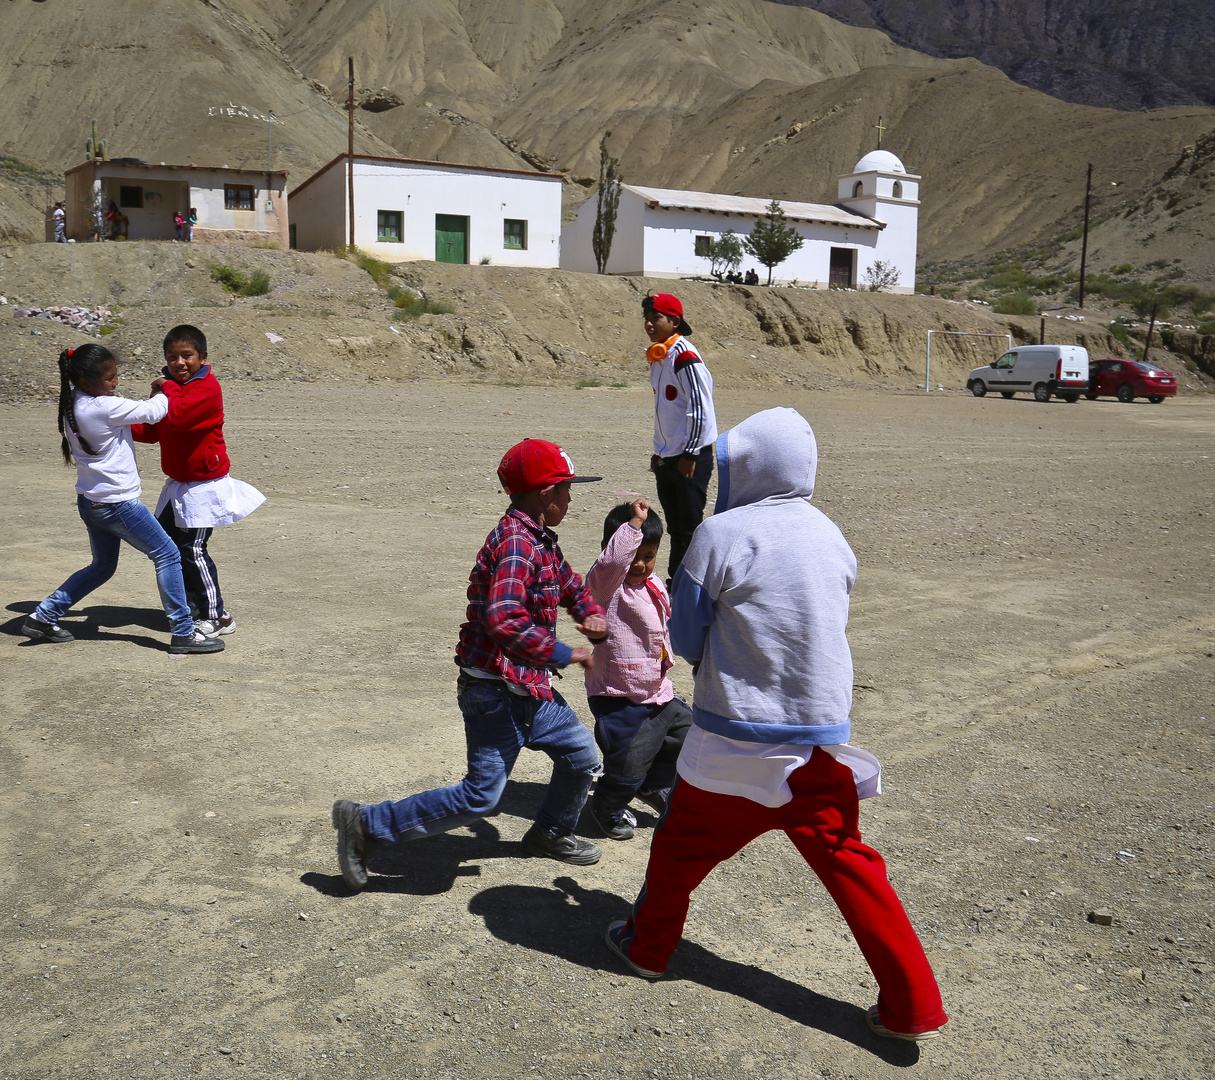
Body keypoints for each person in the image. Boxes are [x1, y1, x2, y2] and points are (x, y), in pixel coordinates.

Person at [604, 408, 948, 1044]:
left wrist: (716, 657)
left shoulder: (721, 534)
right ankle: (913, 1005)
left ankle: (648, 948)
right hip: (818, 746)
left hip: (733, 742)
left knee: (679, 850)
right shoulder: (833, 536)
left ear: (745, 466)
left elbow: (684, 633)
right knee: (854, 868)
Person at [332, 439, 609, 889]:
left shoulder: (539, 540)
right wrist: (567, 653)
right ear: (545, 495)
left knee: (581, 758)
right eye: (566, 490)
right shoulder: (516, 544)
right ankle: (365, 824)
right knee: (481, 797)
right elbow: (504, 619)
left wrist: (586, 612)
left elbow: (566, 582)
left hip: (530, 688)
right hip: (495, 693)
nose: (570, 500)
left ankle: (550, 834)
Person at [22, 344, 223, 655]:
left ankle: (43, 616)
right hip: (119, 505)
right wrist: (163, 387)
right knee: (168, 555)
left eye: (115, 375)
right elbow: (157, 411)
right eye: (109, 378)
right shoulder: (102, 407)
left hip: (91, 502)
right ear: (87, 383)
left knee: (102, 566)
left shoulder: (72, 401)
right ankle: (183, 632)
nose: (115, 382)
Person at [131, 324, 264, 637]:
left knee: (192, 548)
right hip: (178, 483)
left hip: (204, 485)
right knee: (165, 545)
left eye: (186, 356)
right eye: (172, 356)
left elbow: (177, 417)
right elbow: (153, 429)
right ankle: (192, 607)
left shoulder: (206, 388)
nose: (179, 362)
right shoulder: (169, 388)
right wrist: (109, 426)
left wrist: (165, 387)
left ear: (203, 358)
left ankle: (216, 616)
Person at [584, 499, 691, 840]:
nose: (641, 564)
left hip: (656, 690)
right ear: (610, 549)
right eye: (634, 555)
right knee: (628, 761)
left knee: (686, 734)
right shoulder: (606, 586)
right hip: (618, 696)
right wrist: (632, 526)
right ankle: (606, 805)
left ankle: (653, 785)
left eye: (649, 556)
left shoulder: (653, 584)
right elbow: (614, 562)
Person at [642, 293, 717, 584]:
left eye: (655, 318)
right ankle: (681, 581)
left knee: (688, 526)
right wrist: (659, 451)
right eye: (646, 318)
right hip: (669, 456)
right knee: (675, 525)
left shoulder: (684, 357)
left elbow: (700, 408)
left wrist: (691, 453)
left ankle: (688, 583)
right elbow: (667, 411)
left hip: (689, 458)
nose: (649, 323)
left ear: (674, 321)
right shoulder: (660, 357)